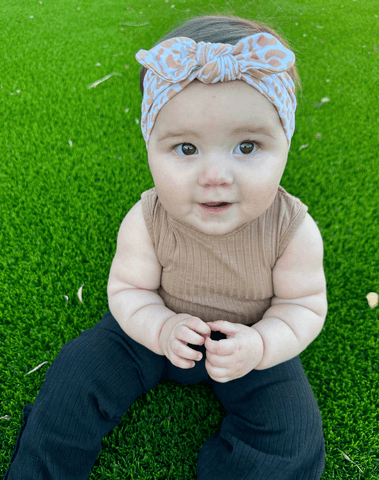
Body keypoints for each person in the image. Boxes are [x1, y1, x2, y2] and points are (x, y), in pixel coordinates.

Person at [4, 14, 328, 480]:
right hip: (153, 329)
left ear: (285, 143)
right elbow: (129, 292)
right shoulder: (146, 218)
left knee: (294, 436)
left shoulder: (292, 229)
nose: (216, 175)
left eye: (248, 147)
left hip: (250, 341)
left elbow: (302, 306)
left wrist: (261, 344)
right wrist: (159, 329)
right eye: (187, 149)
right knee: (77, 371)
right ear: (150, 145)